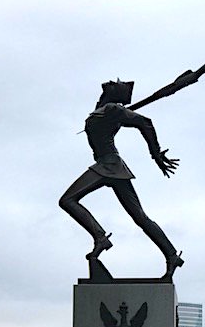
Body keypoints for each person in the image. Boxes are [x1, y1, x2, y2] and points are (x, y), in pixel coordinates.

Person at [59, 79, 184, 278]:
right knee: (140, 217)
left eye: (114, 84)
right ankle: (171, 254)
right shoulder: (105, 110)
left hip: (108, 165)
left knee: (67, 200)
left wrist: (156, 155)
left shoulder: (112, 110)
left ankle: (100, 237)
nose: (109, 83)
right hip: (110, 166)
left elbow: (145, 123)